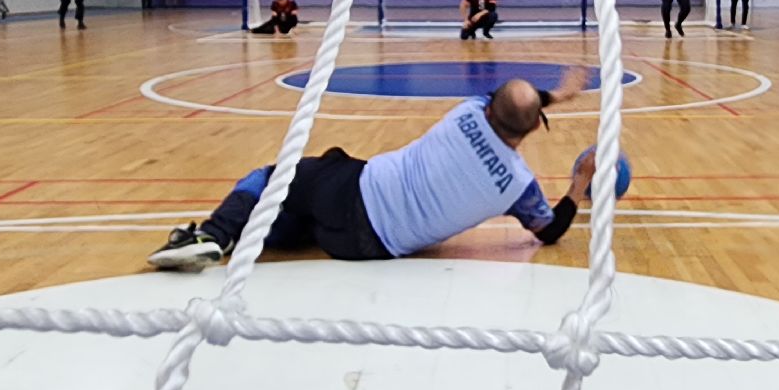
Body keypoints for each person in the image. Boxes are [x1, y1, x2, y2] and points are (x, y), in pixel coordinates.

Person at [148, 68, 593, 269]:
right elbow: (548, 232)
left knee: (275, 176)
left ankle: (212, 236)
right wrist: (579, 183)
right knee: (299, 215)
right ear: (536, 125)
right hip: (366, 248)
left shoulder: (467, 112)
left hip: (353, 192)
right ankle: (245, 237)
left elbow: (513, 100)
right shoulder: (519, 187)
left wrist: (558, 93)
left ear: (489, 105)